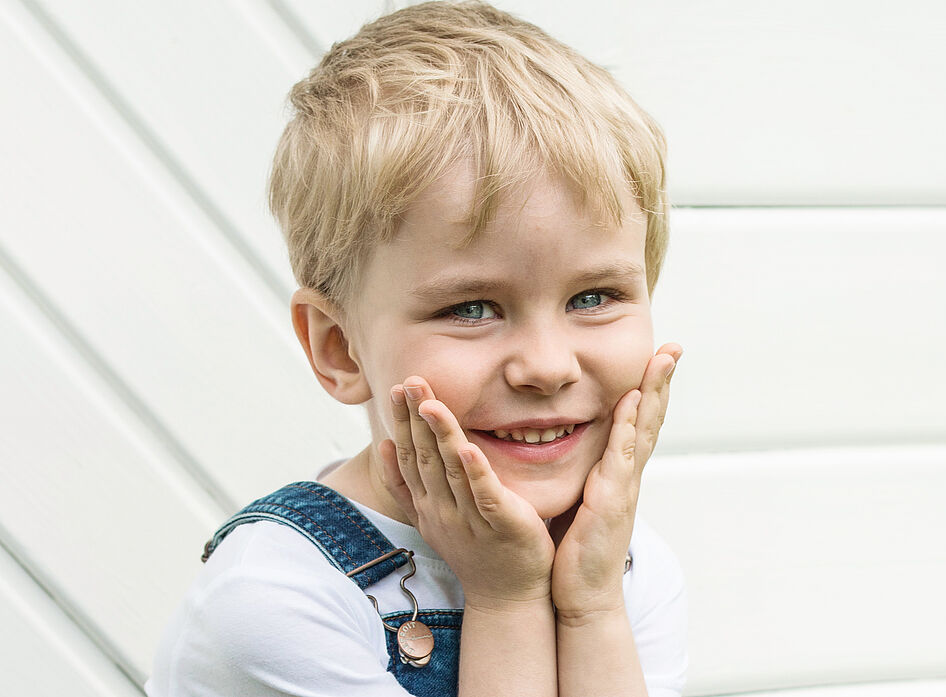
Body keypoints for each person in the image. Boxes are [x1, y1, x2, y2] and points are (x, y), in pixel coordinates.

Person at [146, 2, 686, 695]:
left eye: (592, 297)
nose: (548, 365)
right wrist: (508, 599)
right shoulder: (277, 604)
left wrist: (592, 606)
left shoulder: (627, 568)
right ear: (340, 348)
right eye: (471, 308)